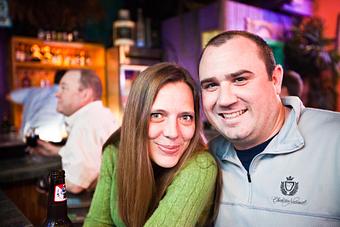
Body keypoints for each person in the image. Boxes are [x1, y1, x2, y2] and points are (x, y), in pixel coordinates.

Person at [198, 30, 340, 226]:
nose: (225, 99)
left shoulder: (334, 139)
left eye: (240, 79)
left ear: (275, 80)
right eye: (211, 85)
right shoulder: (206, 160)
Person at [84, 62, 220, 227]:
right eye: (157, 115)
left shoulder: (201, 166)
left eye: (185, 117)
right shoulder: (115, 151)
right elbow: (98, 222)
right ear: (136, 116)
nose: (173, 133)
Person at [31, 69, 119, 194]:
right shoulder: (100, 114)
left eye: (64, 88)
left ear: (85, 94)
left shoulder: (85, 124)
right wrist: (57, 151)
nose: (57, 94)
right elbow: (95, 155)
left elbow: (75, 184)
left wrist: (47, 181)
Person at [7, 70, 67, 142]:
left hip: (24, 141)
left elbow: (9, 96)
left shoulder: (34, 91)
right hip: (49, 145)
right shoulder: (68, 96)